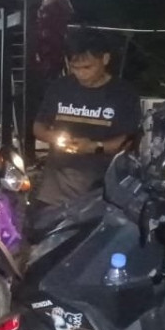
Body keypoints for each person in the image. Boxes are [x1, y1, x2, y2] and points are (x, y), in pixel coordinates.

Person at [31, 29, 142, 231]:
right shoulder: (60, 88)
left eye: (87, 67)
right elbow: (38, 127)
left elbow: (128, 141)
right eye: (75, 67)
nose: (81, 73)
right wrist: (53, 137)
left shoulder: (123, 93)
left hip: (101, 190)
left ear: (105, 59)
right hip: (55, 189)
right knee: (42, 236)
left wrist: (94, 146)